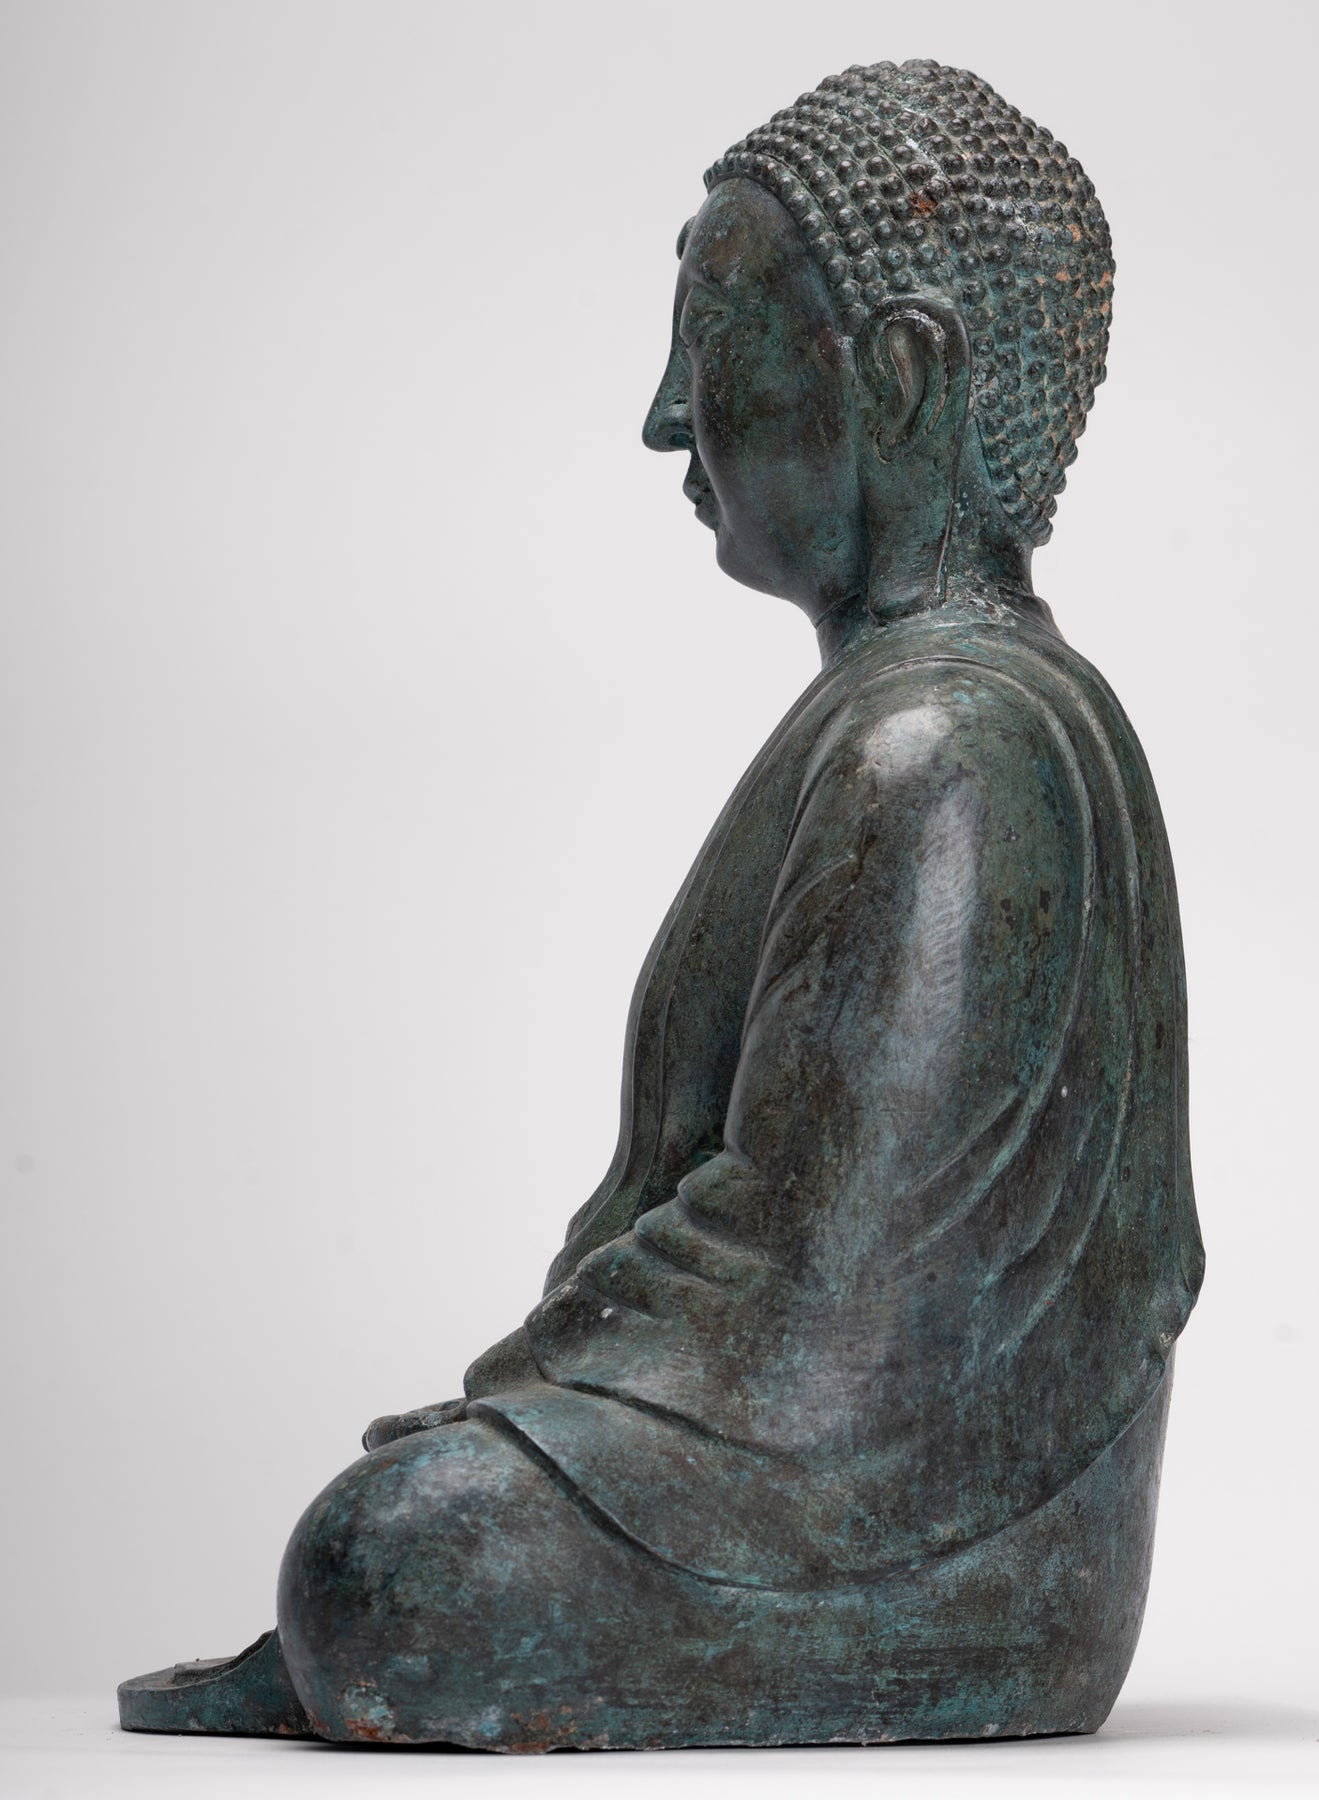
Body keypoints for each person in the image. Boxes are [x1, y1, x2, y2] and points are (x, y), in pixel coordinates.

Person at [120, 59, 1203, 1750]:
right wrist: (549, 1398)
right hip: (843, 1486)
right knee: (400, 1538)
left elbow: (827, 1292)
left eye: (710, 342)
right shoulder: (904, 721)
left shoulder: (951, 744)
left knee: (382, 1564)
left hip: (945, 1547)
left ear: (902, 376)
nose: (665, 418)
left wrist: (538, 1415)